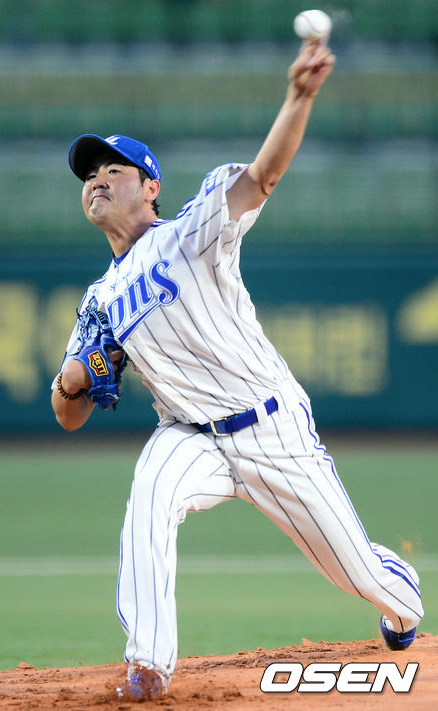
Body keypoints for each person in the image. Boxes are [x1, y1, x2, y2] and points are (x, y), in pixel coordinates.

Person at [51, 40, 423, 701]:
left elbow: (262, 176)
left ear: (151, 186)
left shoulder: (190, 233)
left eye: (114, 168)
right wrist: (71, 381)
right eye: (89, 174)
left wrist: (298, 97)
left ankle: (401, 595)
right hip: (189, 434)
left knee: (356, 573)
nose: (97, 179)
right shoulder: (99, 301)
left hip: (271, 428)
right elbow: (69, 415)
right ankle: (148, 663)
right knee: (150, 494)